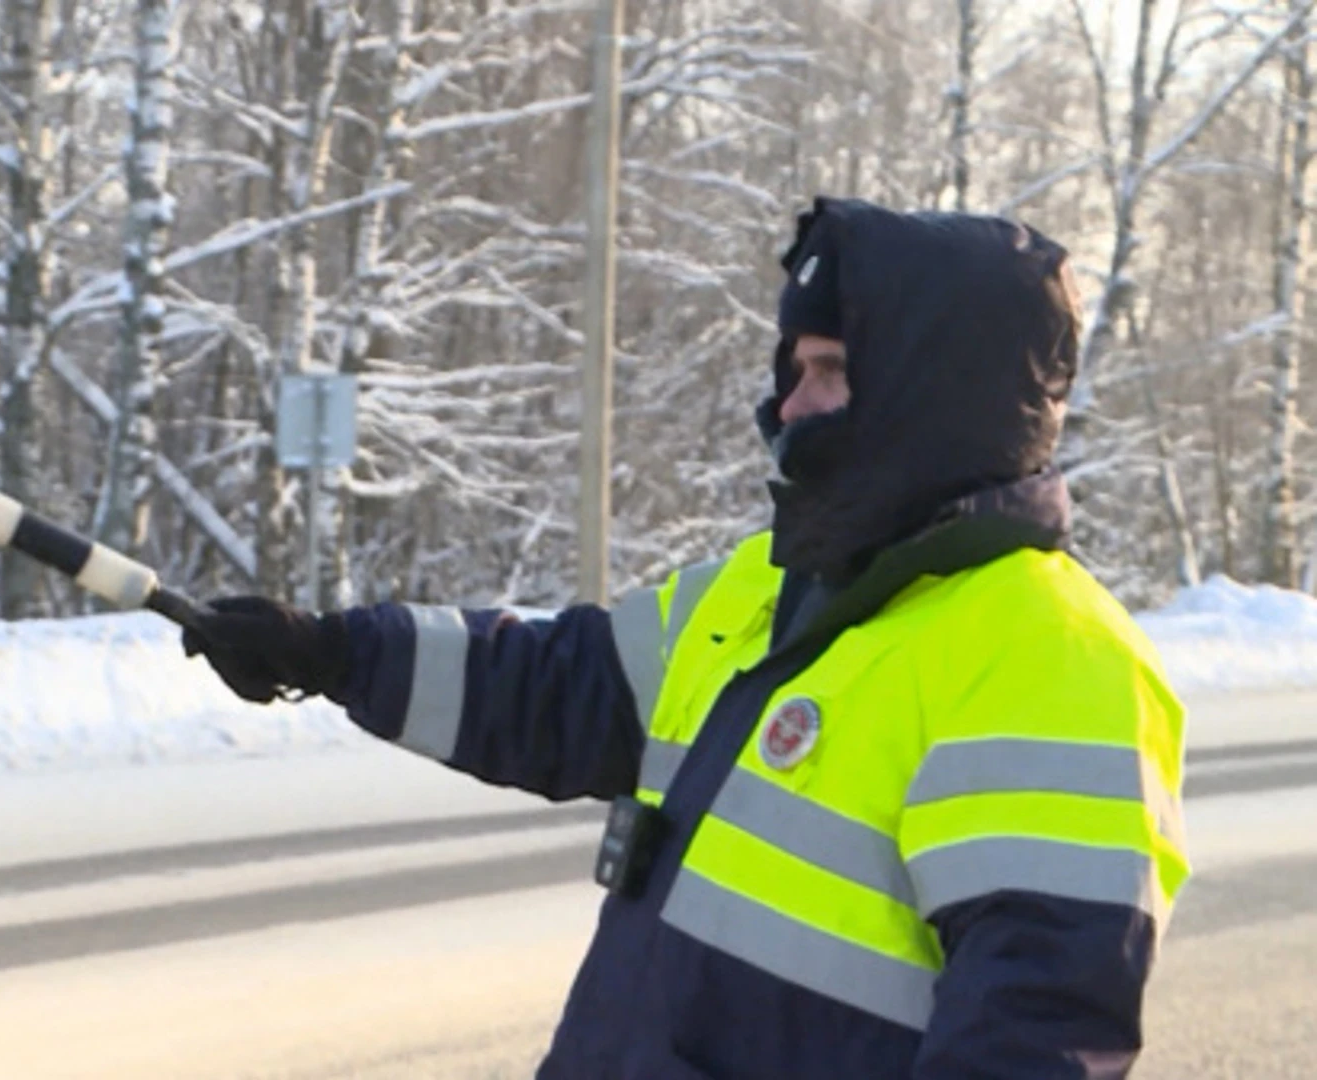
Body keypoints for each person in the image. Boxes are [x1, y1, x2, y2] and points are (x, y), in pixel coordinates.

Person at [181, 196, 1189, 1080]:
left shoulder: (1052, 661)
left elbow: (1034, 1037)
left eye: (828, 371)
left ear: (932, 393)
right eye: (792, 368)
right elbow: (559, 688)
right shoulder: (775, 586)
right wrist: (333, 655)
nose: (788, 405)